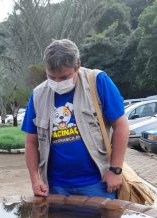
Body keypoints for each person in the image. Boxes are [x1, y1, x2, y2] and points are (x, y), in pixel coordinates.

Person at [22, 39, 129, 198]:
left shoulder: (97, 81)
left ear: (77, 65)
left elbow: (121, 126)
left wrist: (115, 170)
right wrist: (35, 179)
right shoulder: (38, 95)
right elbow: (31, 141)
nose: (57, 83)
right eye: (52, 77)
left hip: (98, 184)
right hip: (55, 187)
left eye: (64, 77)